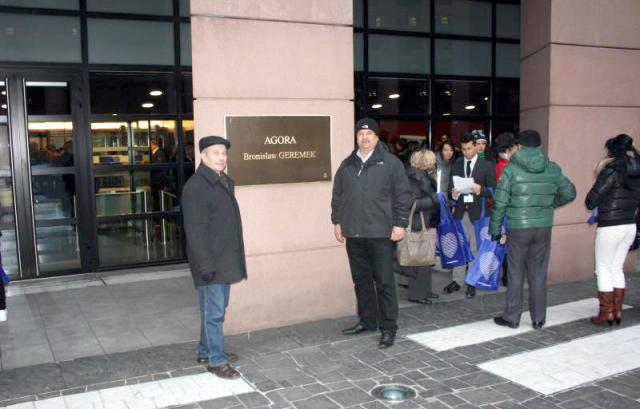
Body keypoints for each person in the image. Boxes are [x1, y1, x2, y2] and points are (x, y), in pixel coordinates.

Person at [331, 117, 413, 349]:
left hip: (381, 234)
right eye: (360, 134)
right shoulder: (348, 164)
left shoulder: (391, 163)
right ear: (356, 137)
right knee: (362, 281)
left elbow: (403, 195)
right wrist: (337, 221)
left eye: (369, 134)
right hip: (354, 234)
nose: (364, 137)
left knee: (385, 283)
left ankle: (388, 328)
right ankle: (367, 321)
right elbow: (338, 195)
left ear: (377, 138)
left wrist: (400, 223)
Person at [490, 130, 576, 330]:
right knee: (538, 273)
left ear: (519, 146)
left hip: (518, 227)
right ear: (539, 146)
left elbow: (500, 203)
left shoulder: (511, 169)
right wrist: (549, 205)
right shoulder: (552, 168)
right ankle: (538, 319)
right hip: (543, 226)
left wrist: (495, 228)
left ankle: (512, 317)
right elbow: (570, 192)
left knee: (516, 272)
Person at [181, 135, 246, 379]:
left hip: (224, 259)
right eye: (215, 152)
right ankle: (216, 361)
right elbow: (195, 232)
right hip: (210, 262)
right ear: (203, 155)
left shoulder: (221, 181)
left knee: (214, 309)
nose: (221, 157)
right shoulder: (196, 187)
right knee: (215, 313)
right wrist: (206, 266)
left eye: (223, 153)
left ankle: (205, 351)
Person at [585, 134, 640, 326]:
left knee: (603, 268)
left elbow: (592, 199)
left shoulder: (612, 169)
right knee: (616, 267)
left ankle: (605, 313)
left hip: (610, 225)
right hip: (629, 224)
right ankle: (617, 311)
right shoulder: (637, 170)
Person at [445, 133, 496, 298]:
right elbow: (449, 189)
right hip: (460, 212)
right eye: (463, 149)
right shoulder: (457, 165)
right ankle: (457, 280)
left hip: (478, 213)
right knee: (460, 247)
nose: (466, 152)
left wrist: (480, 190)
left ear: (475, 146)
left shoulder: (486, 165)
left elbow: (493, 190)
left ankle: (471, 282)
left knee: (474, 248)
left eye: (469, 148)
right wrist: (453, 194)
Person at [402, 149, 440, 304]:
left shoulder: (423, 177)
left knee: (426, 257)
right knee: (417, 259)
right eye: (432, 161)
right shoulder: (414, 178)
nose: (435, 163)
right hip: (418, 221)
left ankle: (425, 290)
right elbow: (411, 203)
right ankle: (416, 294)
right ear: (426, 162)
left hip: (425, 219)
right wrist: (434, 200)